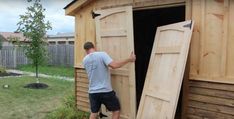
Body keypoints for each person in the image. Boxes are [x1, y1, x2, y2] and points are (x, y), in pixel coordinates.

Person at [82, 42, 136, 119]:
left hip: (92, 92)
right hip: (105, 91)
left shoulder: (85, 60)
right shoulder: (102, 54)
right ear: (94, 47)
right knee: (116, 111)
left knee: (94, 113)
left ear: (86, 50)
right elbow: (114, 65)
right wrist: (129, 59)